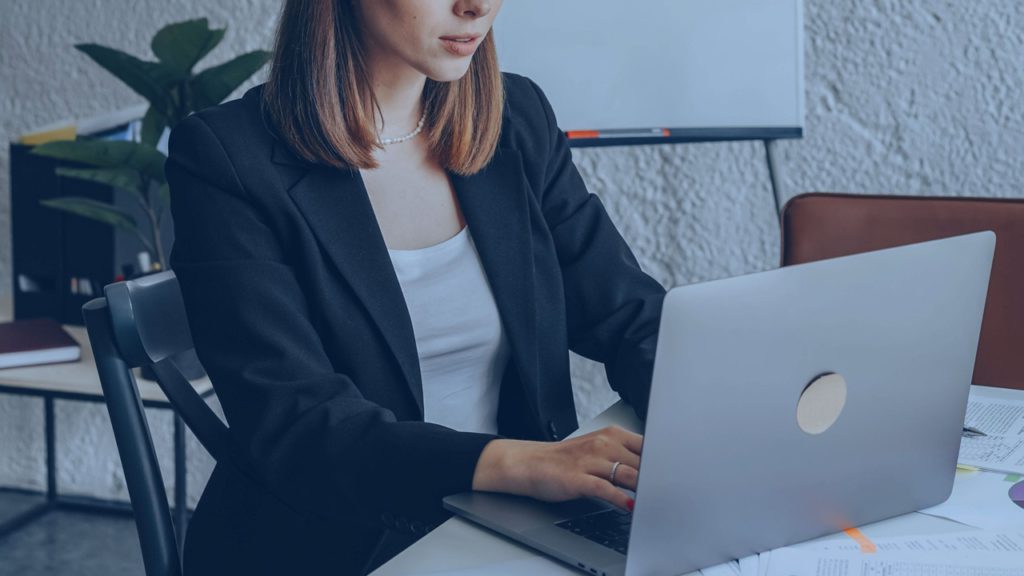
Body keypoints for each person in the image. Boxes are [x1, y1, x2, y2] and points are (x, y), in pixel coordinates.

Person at [165, 0, 666, 574]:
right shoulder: (226, 156)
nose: (476, 6)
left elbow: (629, 315)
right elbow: (295, 421)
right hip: (334, 545)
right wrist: (518, 464)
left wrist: (712, 423)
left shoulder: (516, 115)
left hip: (513, 523)